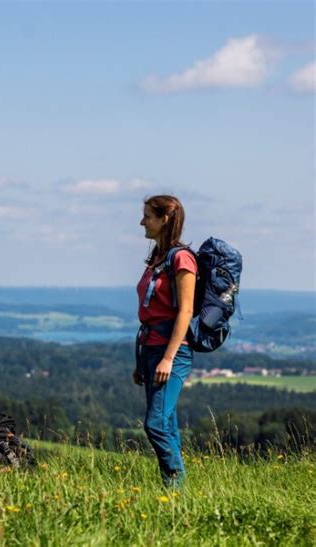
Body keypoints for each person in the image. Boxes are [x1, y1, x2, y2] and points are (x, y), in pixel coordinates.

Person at [134, 195, 197, 487]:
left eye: (148, 216)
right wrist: (142, 360)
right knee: (166, 422)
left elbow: (186, 310)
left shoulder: (181, 258)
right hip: (150, 347)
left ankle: (176, 485)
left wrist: (168, 358)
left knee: (155, 423)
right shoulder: (158, 257)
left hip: (171, 350)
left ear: (165, 219)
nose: (142, 221)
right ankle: (173, 488)